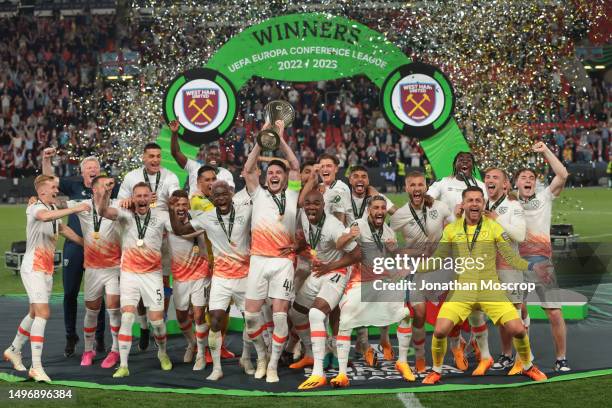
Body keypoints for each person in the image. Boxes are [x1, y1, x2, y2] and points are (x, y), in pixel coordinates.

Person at [419, 186, 548, 384]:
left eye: (478, 200)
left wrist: (532, 266)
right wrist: (415, 269)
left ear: (483, 204)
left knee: (519, 330)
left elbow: (511, 258)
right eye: (470, 200)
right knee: (439, 331)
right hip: (461, 292)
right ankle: (436, 371)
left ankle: (528, 366)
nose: (474, 204)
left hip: (490, 290)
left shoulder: (494, 227)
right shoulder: (452, 229)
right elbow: (439, 258)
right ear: (463, 205)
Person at [3, 175, 87, 382]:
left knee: (34, 312)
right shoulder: (35, 208)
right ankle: (37, 366)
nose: (56, 191)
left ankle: (14, 349)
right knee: (43, 312)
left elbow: (64, 229)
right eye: (53, 188)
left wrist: (87, 245)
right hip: (33, 267)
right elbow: (43, 217)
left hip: (46, 269)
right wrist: (76, 208)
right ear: (41, 192)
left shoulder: (52, 211)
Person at [169, 181, 253, 380]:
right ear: (212, 199)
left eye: (224, 194)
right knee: (214, 320)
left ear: (231, 194)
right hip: (221, 278)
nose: (221, 198)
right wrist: (171, 210)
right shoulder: (206, 218)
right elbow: (181, 230)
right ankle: (216, 367)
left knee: (251, 320)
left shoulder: (245, 211)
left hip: (244, 276)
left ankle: (247, 358)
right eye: (217, 195)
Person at [330, 196, 413, 388]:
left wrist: (395, 253)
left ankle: (402, 362)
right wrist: (350, 235)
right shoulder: (357, 224)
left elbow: (393, 259)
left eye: (383, 208)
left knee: (405, 314)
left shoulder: (388, 231)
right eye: (376, 208)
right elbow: (338, 244)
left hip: (380, 282)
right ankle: (342, 374)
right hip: (358, 283)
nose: (380, 211)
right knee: (346, 320)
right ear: (369, 210)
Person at [242, 119, 301, 383]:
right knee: (252, 316)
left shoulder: (292, 196)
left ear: (285, 177)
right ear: (266, 178)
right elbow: (247, 168)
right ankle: (262, 356)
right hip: (258, 261)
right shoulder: (258, 195)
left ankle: (274, 364)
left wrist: (280, 137)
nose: (274, 175)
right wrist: (263, 136)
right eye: (271, 173)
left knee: (279, 318)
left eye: (279, 172)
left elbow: (297, 165)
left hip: (283, 263)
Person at [42, 149, 116, 357]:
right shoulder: (73, 185)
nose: (93, 170)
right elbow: (48, 180)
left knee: (98, 295)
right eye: (89, 167)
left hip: (99, 247)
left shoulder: (110, 188)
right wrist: (47, 159)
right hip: (75, 246)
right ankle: (70, 336)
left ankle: (99, 337)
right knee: (70, 293)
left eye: (96, 167)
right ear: (82, 172)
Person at [97, 182, 173, 378]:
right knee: (128, 316)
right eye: (137, 196)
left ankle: (162, 352)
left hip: (152, 275)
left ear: (151, 198)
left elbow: (179, 228)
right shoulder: (125, 213)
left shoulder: (161, 215)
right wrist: (107, 193)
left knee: (157, 322)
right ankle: (123, 365)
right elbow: (104, 211)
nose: (141, 199)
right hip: (129, 274)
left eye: (145, 196)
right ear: (133, 197)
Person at [290, 189, 361, 390]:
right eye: (308, 204)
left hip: (336, 271)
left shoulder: (333, 226)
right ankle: (311, 355)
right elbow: (308, 236)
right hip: (320, 269)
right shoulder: (305, 216)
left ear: (323, 205)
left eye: (316, 204)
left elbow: (357, 254)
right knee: (296, 313)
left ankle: (318, 373)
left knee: (315, 313)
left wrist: (329, 267)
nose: (311, 207)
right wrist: (297, 247)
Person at [427, 151, 488, 370]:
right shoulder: (443, 183)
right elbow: (427, 201)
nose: (464, 162)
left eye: (469, 160)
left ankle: (475, 340)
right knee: (450, 299)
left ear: (473, 165)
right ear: (454, 164)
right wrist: (446, 214)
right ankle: (456, 344)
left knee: (476, 302)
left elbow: (485, 214)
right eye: (460, 159)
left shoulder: (480, 185)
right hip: (449, 251)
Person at [118, 142, 180, 350]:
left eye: (158, 156)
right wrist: (131, 200)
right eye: (151, 156)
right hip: (137, 235)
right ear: (143, 157)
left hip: (162, 236)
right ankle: (144, 326)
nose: (155, 160)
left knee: (163, 281)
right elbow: (120, 202)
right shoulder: (131, 177)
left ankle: (158, 323)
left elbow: (175, 195)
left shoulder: (170, 176)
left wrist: (171, 200)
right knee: (138, 284)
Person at [390, 171, 452, 373]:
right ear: (406, 188)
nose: (416, 188)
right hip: (416, 269)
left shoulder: (439, 207)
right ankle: (420, 357)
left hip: (442, 267)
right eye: (412, 185)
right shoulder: (399, 215)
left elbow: (455, 229)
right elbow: (389, 244)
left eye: (420, 184)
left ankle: (460, 347)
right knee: (419, 312)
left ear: (426, 187)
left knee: (454, 309)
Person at [515, 141, 570, 372]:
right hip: (515, 264)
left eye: (531, 177)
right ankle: (522, 358)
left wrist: (545, 150)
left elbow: (563, 174)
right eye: (523, 177)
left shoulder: (545, 196)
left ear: (535, 183)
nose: (528, 180)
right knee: (517, 310)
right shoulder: (507, 200)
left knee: (554, 311)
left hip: (542, 263)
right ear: (516, 182)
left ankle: (561, 358)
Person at [65, 176, 123, 368]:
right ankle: (88, 350)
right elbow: (57, 205)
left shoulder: (117, 205)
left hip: (113, 267)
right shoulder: (83, 205)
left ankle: (115, 350)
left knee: (114, 308)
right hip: (92, 269)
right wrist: (35, 200)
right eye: (103, 185)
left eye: (109, 184)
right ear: (93, 189)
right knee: (92, 310)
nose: (107, 187)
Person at [482, 168, 529, 373]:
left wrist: (496, 220)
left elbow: (520, 235)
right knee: (501, 316)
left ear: (505, 184)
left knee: (515, 314)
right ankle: (506, 354)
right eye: (488, 177)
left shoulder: (513, 206)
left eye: (496, 178)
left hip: (509, 268)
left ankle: (522, 358)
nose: (490, 180)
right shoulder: (482, 204)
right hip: (489, 269)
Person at [164, 190, 211, 370]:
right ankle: (192, 343)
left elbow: (196, 240)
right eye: (178, 205)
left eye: (184, 204)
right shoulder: (168, 223)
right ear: (172, 207)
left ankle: (200, 353)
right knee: (182, 317)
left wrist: (210, 266)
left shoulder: (197, 220)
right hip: (179, 277)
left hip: (200, 273)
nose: (181, 208)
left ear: (189, 205)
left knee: (199, 314)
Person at [169, 120, 234, 193]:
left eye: (217, 155)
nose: (214, 157)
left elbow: (230, 194)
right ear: (204, 156)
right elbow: (176, 153)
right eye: (210, 154)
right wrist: (174, 133)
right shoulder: (194, 167)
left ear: (220, 158)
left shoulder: (225, 173)